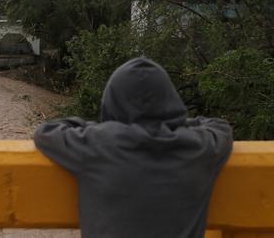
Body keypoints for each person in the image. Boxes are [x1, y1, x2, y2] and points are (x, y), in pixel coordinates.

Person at [34, 57, 233, 238]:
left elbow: (47, 131)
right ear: (171, 100)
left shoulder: (98, 144)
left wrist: (104, 128)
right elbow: (220, 126)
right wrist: (172, 126)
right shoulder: (200, 147)